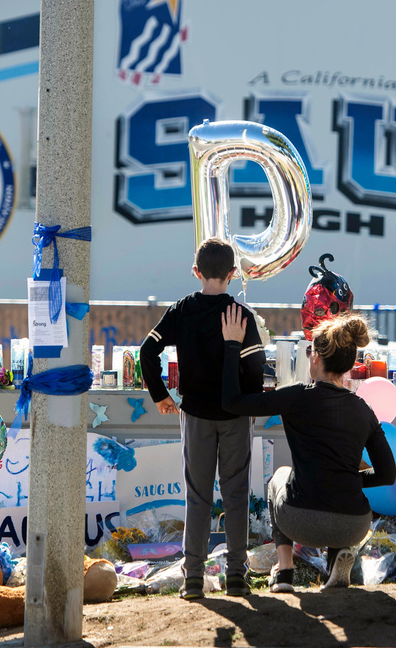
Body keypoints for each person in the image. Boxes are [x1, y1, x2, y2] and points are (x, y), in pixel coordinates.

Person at [220, 304, 396, 591]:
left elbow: (233, 402)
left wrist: (231, 346)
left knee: (280, 476)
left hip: (301, 521)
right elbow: (388, 475)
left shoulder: (296, 397)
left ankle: (284, 570)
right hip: (354, 524)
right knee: (337, 489)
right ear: (350, 364)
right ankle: (338, 557)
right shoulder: (363, 409)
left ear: (316, 359)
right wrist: (350, 480)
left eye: (309, 351)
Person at [140, 238, 266, 600]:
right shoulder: (241, 315)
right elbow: (256, 372)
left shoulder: (182, 310)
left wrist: (161, 394)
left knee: (197, 497)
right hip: (235, 416)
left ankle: (192, 578)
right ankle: (236, 577)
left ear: (196, 272)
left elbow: (148, 351)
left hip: (194, 414)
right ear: (232, 274)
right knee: (236, 495)